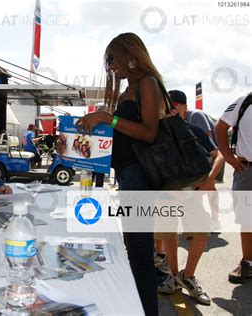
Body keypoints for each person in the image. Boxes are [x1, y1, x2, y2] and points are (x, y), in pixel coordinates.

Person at [76, 32, 163, 316]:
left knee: (140, 255)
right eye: (108, 61)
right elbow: (123, 132)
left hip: (139, 177)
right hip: (126, 176)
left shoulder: (147, 84)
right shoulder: (130, 88)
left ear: (130, 54)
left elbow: (149, 133)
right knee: (134, 252)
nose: (111, 66)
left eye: (113, 58)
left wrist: (108, 118)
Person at [155, 115, 224, 305]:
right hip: (166, 195)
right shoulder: (156, 133)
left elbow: (218, 155)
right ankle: (174, 276)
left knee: (202, 231)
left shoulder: (193, 130)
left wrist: (209, 180)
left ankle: (188, 276)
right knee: (168, 234)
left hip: (192, 193)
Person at [169, 89, 225, 231]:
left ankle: (215, 220)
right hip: (193, 157)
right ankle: (193, 222)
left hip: (207, 154)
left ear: (184, 106)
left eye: (174, 104)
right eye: (168, 104)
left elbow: (206, 144)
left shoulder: (196, 117)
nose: (171, 108)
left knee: (209, 186)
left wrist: (209, 178)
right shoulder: (168, 124)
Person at [216, 92, 252, 284]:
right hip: (247, 169)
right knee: (247, 220)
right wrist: (228, 157)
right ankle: (248, 262)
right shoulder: (245, 101)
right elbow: (221, 127)